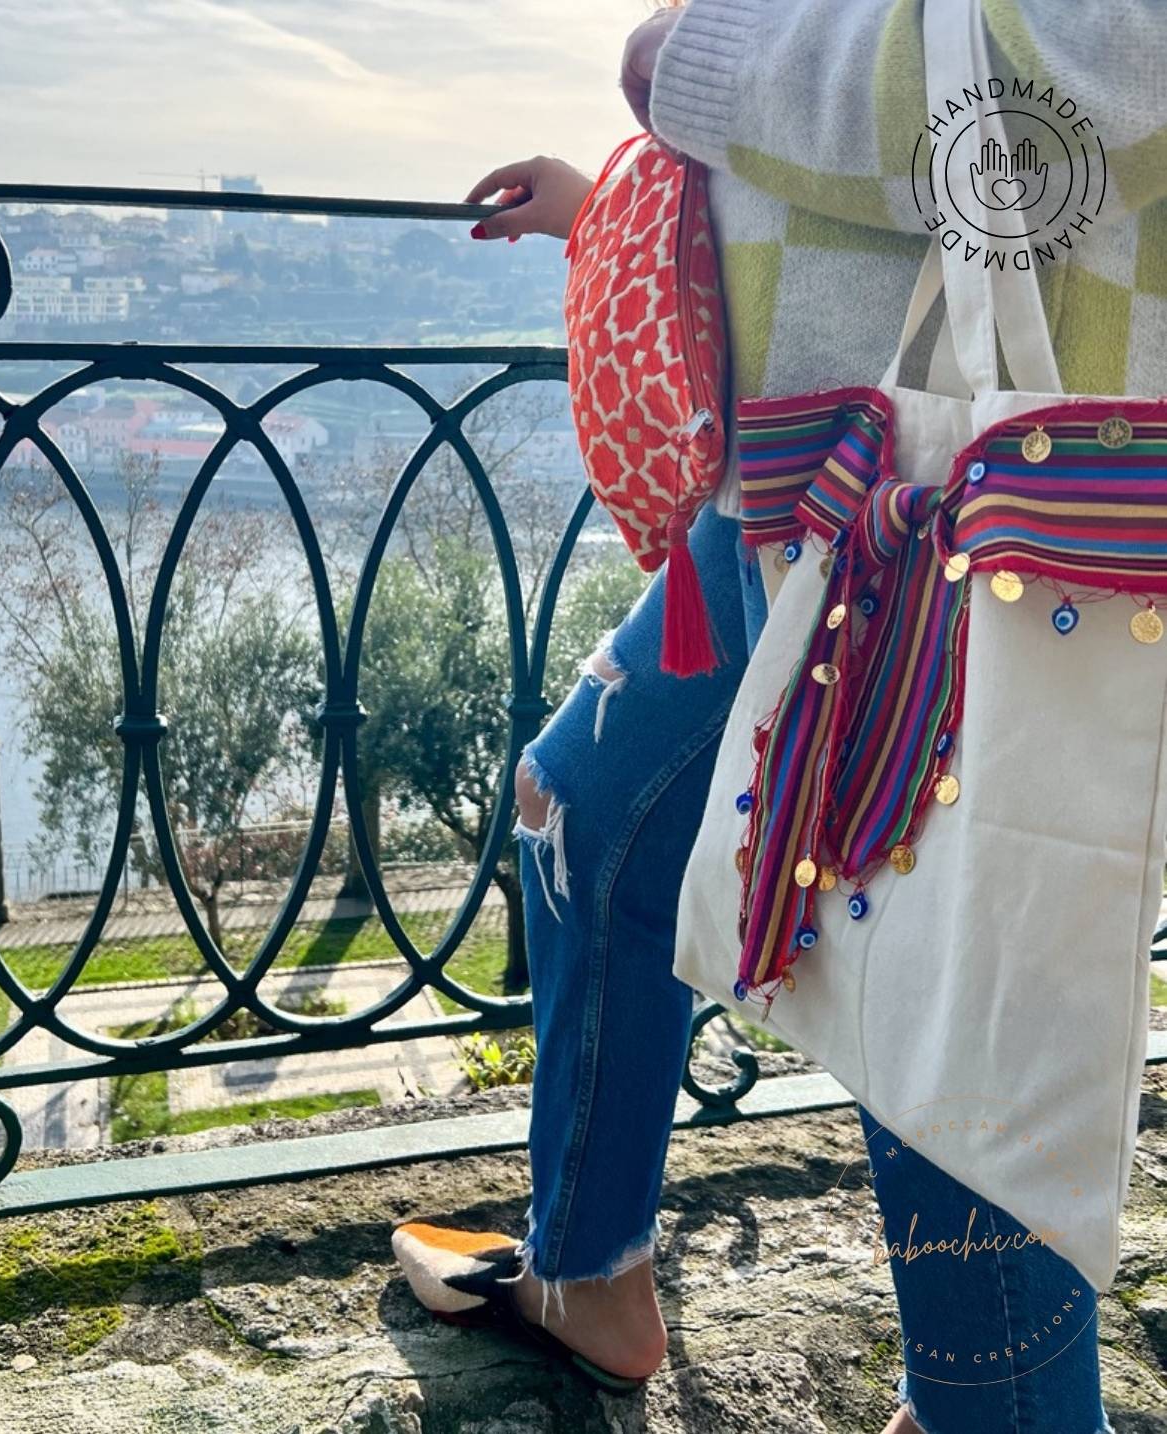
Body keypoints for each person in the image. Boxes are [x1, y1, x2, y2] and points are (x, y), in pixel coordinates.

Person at [393, 3, 1167, 1430]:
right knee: (585, 812)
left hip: (981, 490)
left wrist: (689, 68)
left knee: (954, 1016)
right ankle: (587, 1272)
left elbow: (1104, 68)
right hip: (811, 476)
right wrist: (632, 198)